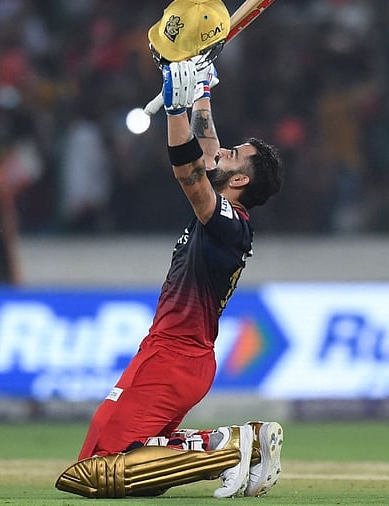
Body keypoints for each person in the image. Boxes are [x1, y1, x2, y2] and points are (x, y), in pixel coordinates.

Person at [55, 0, 284, 499]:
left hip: (175, 358)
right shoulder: (227, 213)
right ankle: (247, 445)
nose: (221, 151)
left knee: (96, 469)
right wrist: (198, 85)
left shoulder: (229, 224)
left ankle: (225, 446)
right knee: (135, 472)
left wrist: (175, 106)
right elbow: (204, 151)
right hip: (171, 352)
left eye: (232, 155)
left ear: (240, 179)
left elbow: (189, 171)